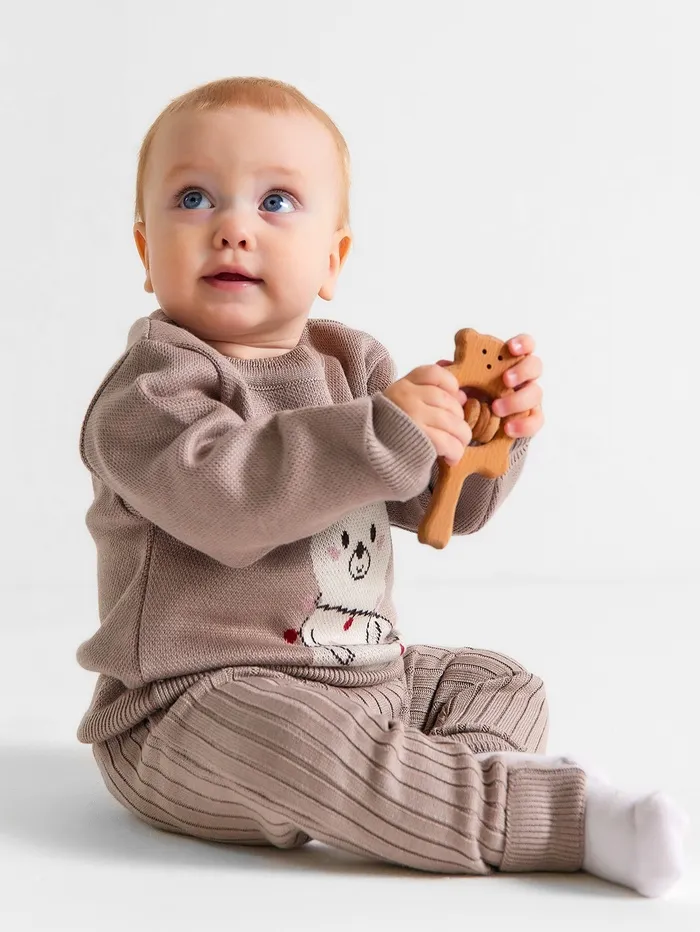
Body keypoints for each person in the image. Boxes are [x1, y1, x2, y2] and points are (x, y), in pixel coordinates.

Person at [76, 76, 687, 897]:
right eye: (194, 199)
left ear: (332, 260)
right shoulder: (150, 392)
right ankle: (551, 818)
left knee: (497, 681)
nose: (232, 228)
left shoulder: (352, 365)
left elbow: (441, 509)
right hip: (193, 709)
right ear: (146, 252)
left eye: (276, 202)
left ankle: (430, 791)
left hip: (366, 676)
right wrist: (385, 430)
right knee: (306, 747)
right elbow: (230, 503)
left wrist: (487, 436)